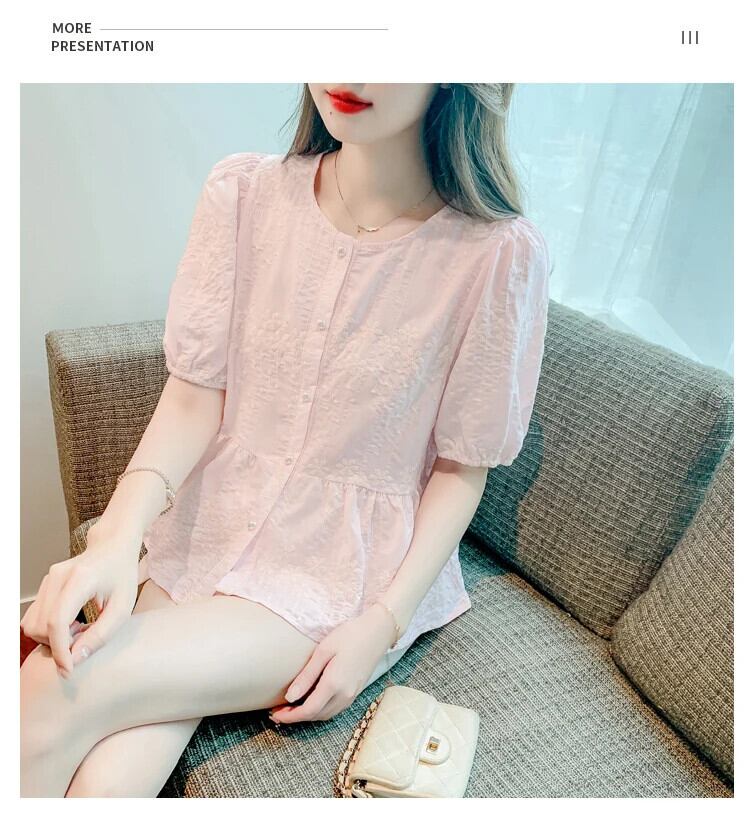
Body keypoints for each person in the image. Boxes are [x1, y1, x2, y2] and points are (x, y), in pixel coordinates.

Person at [20, 83, 551, 797]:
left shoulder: (496, 255)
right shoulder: (245, 195)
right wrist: (115, 537)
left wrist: (381, 626)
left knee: (55, 688)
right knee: (106, 779)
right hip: (208, 525)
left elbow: (462, 469)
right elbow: (195, 394)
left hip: (335, 572)